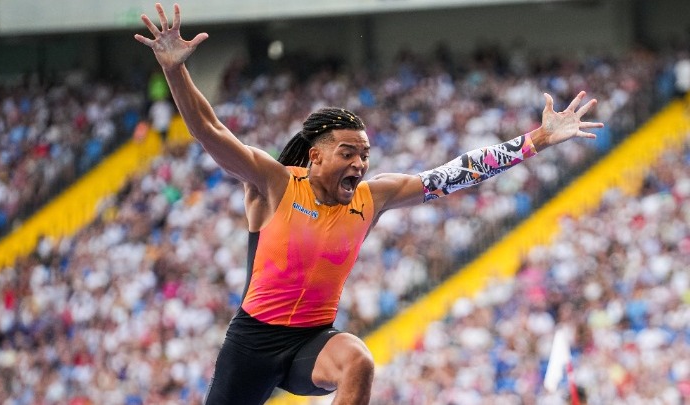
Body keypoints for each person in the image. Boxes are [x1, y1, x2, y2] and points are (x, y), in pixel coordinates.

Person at [135, 4, 603, 404]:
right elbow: (209, 131)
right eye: (348, 153)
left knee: (359, 359)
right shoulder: (274, 183)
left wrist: (537, 140)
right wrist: (175, 70)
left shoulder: (372, 198)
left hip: (311, 341)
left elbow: (457, 172)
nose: (360, 163)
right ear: (316, 156)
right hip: (252, 343)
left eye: (365, 155)